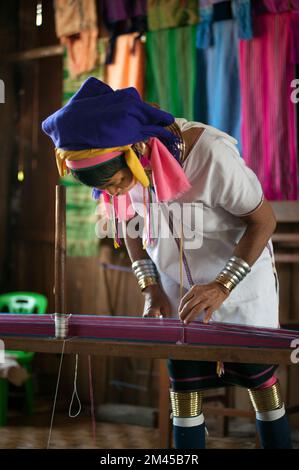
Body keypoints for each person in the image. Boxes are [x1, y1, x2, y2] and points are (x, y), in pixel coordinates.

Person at [42, 76, 292, 449]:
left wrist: (222, 286)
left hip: (241, 296)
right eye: (105, 189)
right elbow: (127, 225)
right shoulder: (122, 168)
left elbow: (263, 221)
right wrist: (151, 287)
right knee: (185, 399)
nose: (112, 194)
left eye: (116, 183)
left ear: (138, 150)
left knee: (263, 393)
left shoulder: (210, 155)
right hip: (181, 302)